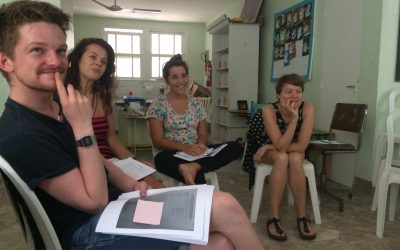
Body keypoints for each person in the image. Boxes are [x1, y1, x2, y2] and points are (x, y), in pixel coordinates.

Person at [0, 1, 264, 249]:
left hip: (117, 206)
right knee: (224, 206)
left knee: (222, 242)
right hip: (88, 231)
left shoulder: (54, 108)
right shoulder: (22, 133)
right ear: (5, 61)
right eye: (37, 50)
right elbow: (94, 201)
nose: (56, 61)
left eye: (59, 50)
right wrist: (83, 128)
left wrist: (129, 183)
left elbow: (100, 161)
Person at [65, 37, 163, 188]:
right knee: (144, 190)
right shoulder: (64, 98)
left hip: (110, 162)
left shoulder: (103, 98)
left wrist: (134, 162)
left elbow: (112, 139)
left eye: (104, 61)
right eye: (93, 57)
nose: (98, 62)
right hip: (82, 165)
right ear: (77, 59)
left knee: (154, 184)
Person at [146, 54, 243, 185]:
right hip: (168, 155)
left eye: (184, 75)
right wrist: (185, 148)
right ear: (166, 80)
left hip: (195, 152)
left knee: (235, 147)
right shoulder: (158, 105)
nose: (181, 81)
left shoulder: (196, 103)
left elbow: (202, 134)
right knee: (197, 177)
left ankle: (194, 166)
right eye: (175, 77)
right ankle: (196, 169)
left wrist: (200, 145)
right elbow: (157, 141)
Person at [253, 73, 316, 241]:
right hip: (266, 150)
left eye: (298, 91)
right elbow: (280, 147)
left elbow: (302, 146)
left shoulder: (308, 108)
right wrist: (294, 120)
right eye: (288, 91)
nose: (294, 95)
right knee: (282, 157)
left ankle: (302, 217)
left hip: (288, 148)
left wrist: (272, 145)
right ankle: (273, 218)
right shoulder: (269, 109)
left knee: (295, 158)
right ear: (278, 94)